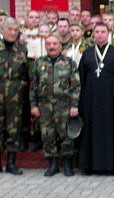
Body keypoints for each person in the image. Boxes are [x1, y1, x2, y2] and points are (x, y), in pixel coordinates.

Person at [78, 22, 114, 175]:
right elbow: (81, 78)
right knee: (91, 132)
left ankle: (113, 166)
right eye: (97, 32)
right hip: (91, 102)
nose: (100, 34)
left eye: (103, 31)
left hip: (112, 102)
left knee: (112, 133)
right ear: (93, 34)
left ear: (109, 33)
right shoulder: (87, 53)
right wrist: (80, 102)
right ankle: (90, 166)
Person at [0, 17, 29, 175]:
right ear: (2, 30)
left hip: (14, 92)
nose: (13, 33)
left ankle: (11, 162)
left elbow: (25, 71)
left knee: (13, 127)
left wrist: (20, 85)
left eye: (16, 30)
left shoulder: (22, 49)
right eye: (10, 29)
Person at [30, 33, 80, 177]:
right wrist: (34, 105)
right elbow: (33, 86)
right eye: (49, 44)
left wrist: (74, 105)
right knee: (48, 135)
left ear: (60, 45)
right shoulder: (39, 63)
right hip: (45, 106)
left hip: (64, 105)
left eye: (54, 44)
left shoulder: (69, 63)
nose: (51, 47)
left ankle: (67, 164)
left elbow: (75, 86)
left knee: (66, 135)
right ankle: (52, 164)